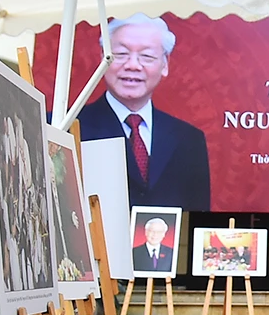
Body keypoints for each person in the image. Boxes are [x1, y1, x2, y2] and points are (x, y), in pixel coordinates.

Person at [78, 14, 212, 213]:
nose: (132, 65)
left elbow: (197, 219)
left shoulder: (189, 139)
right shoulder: (70, 128)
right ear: (103, 58)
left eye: (147, 56)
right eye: (121, 54)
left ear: (165, 65)